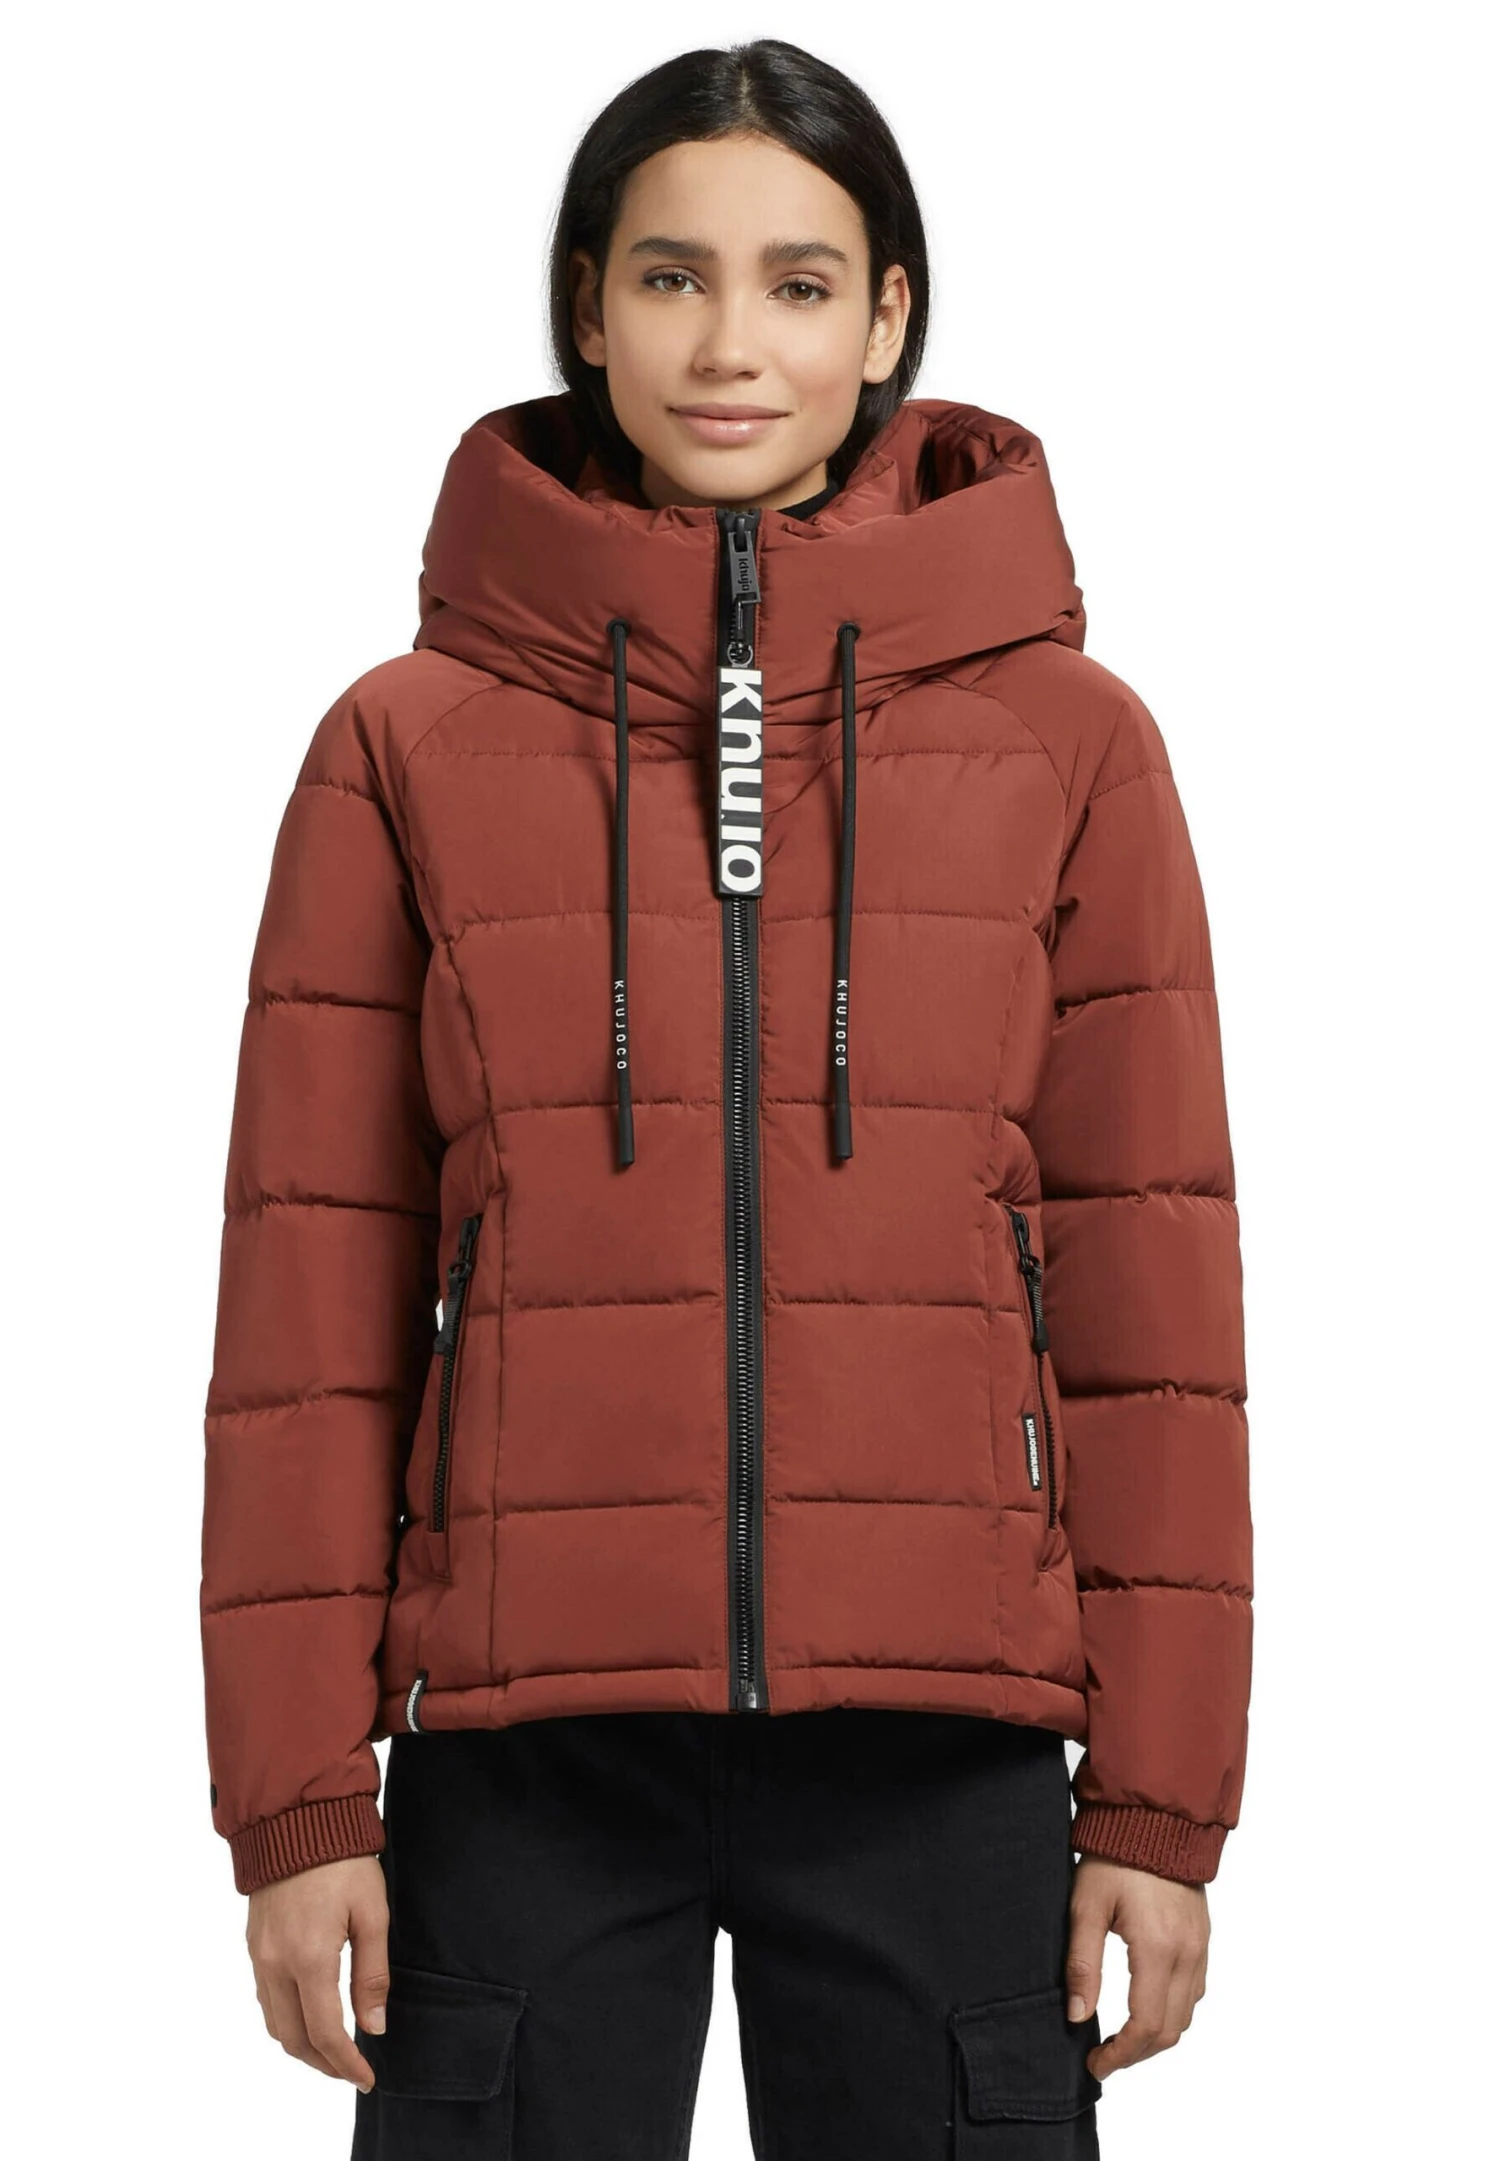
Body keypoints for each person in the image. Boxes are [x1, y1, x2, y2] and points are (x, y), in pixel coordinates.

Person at [199, 37, 1252, 2160]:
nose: (731, 344)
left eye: (799, 282)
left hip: (945, 1738)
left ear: (890, 317)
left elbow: (1154, 1308)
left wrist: (1162, 1805)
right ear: (587, 310)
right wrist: (296, 1807)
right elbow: (308, 1315)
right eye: (671, 277)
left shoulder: (1071, 744)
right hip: (521, 1743)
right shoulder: (405, 743)